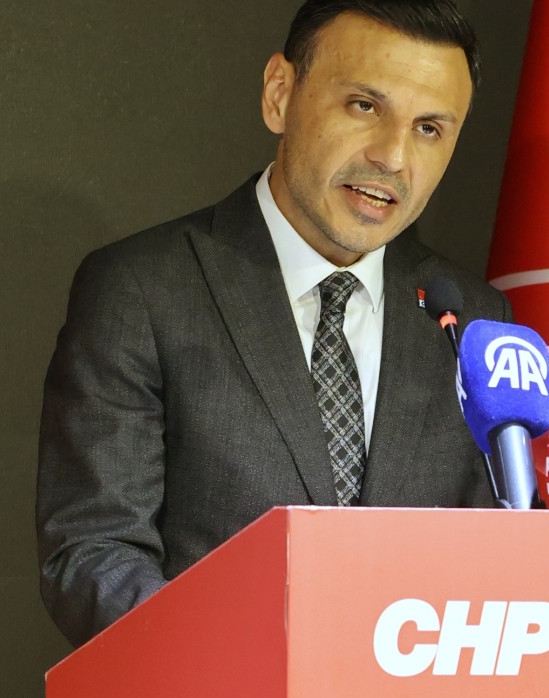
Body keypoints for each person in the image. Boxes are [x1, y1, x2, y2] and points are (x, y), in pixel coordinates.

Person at [35, 0, 506, 648]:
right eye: (364, 105)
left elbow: (496, 563)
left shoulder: (472, 319)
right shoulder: (143, 289)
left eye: (429, 127)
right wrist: (252, 678)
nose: (394, 157)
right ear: (280, 94)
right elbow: (95, 554)